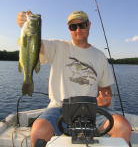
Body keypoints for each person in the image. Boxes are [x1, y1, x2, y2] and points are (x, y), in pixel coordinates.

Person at [18, 11, 132, 147]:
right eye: (73, 27)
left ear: (89, 25)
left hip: (91, 110)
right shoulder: (57, 46)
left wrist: (105, 98)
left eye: (82, 25)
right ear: (69, 29)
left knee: (123, 127)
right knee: (38, 130)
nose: (78, 29)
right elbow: (36, 46)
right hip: (59, 108)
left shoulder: (100, 56)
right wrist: (26, 25)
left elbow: (105, 88)